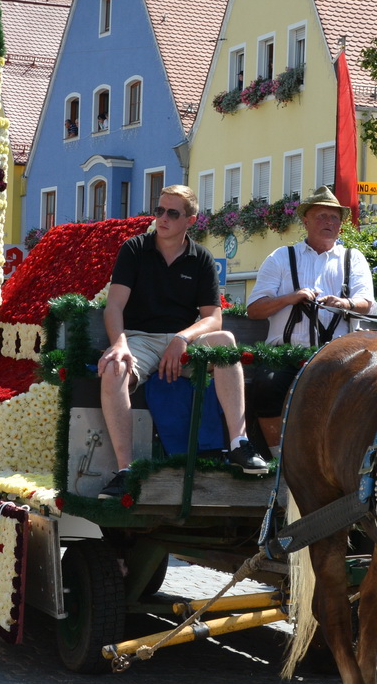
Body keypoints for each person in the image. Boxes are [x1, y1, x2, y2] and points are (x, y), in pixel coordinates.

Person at [96, 185, 268, 498]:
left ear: (190, 220)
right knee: (113, 368)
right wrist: (119, 344)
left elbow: (213, 319)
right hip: (140, 339)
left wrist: (182, 338)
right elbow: (114, 306)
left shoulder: (201, 258)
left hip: (184, 342)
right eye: (159, 210)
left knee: (225, 339)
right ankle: (125, 471)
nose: (162, 218)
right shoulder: (134, 249)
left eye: (172, 213)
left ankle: (239, 444)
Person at [246, 185, 377, 446]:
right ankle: (278, 456)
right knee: (267, 385)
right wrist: (291, 297)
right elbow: (254, 309)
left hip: (339, 354)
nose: (329, 222)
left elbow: (368, 304)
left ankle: (344, 455)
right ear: (305, 220)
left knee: (369, 390)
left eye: (334, 217)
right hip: (285, 354)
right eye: (322, 216)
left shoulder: (353, 258)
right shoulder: (281, 257)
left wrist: (344, 303)